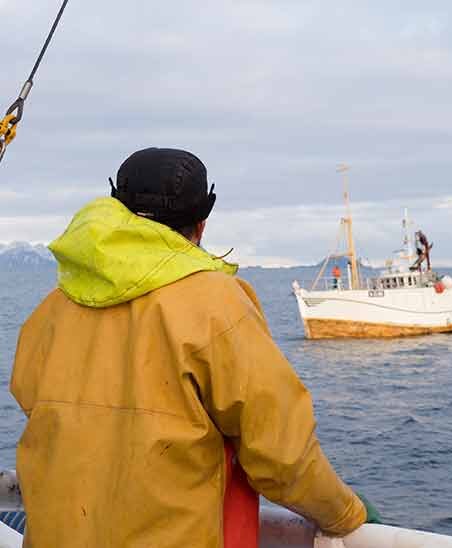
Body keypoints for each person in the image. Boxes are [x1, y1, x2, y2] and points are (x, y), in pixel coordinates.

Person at [10, 148, 379, 548]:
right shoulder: (217, 304)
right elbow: (282, 456)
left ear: (116, 210)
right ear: (200, 226)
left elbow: (33, 402)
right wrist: (346, 513)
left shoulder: (54, 306)